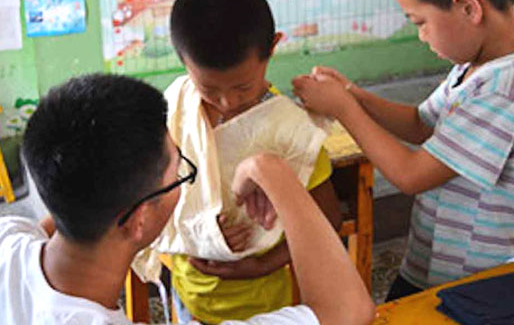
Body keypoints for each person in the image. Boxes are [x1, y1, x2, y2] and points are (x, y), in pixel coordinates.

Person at [293, 0, 514, 302]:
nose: (422, 36)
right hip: (438, 265)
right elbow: (420, 124)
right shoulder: (474, 69)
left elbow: (411, 175)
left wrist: (344, 109)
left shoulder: (506, 89)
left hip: (485, 284)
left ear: (468, 8)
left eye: (421, 22)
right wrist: (354, 95)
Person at [0, 73, 374, 325]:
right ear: (139, 219)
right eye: (180, 173)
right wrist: (269, 169)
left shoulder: (8, 238)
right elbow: (349, 310)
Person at [132, 0, 341, 324]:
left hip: (266, 301)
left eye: (243, 87)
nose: (228, 102)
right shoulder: (176, 111)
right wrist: (200, 230)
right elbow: (152, 195)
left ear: (272, 47)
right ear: (183, 60)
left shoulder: (289, 131)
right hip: (191, 292)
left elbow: (328, 220)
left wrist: (262, 264)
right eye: (209, 88)